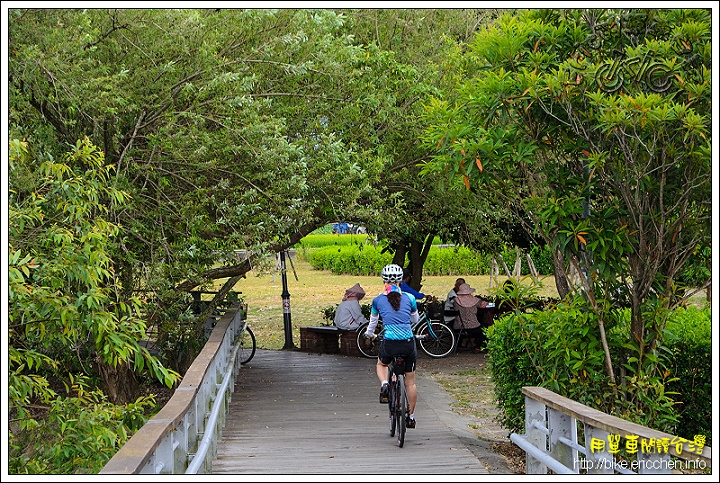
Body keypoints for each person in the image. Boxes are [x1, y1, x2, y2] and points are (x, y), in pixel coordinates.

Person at [365, 263, 419, 428]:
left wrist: (369, 336)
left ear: (384, 281)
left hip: (389, 343)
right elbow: (415, 320)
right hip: (408, 343)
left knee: (382, 363)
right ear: (401, 281)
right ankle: (411, 416)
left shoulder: (377, 301)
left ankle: (385, 384)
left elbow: (372, 324)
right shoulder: (410, 299)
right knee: (410, 382)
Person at [453, 283, 488, 353]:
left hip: (459, 326)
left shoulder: (456, 301)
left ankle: (459, 345)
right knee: (485, 328)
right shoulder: (475, 301)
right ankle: (478, 346)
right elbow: (483, 305)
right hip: (473, 326)